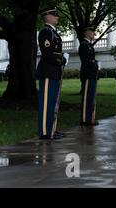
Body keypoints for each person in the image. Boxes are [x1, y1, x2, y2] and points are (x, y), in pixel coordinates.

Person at [36, 7, 68, 140]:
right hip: (48, 71)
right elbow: (48, 53)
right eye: (55, 15)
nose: (57, 17)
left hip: (54, 71)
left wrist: (61, 58)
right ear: (47, 16)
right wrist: (62, 59)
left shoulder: (53, 32)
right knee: (47, 103)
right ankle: (44, 132)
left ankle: (52, 130)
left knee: (53, 103)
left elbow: (56, 53)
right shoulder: (45, 32)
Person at [78, 27, 99, 126]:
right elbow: (86, 61)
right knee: (86, 97)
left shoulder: (89, 45)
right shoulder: (84, 45)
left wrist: (94, 64)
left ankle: (89, 118)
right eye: (92, 32)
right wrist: (94, 63)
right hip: (87, 74)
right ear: (86, 33)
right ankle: (84, 119)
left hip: (91, 74)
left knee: (91, 97)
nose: (93, 34)